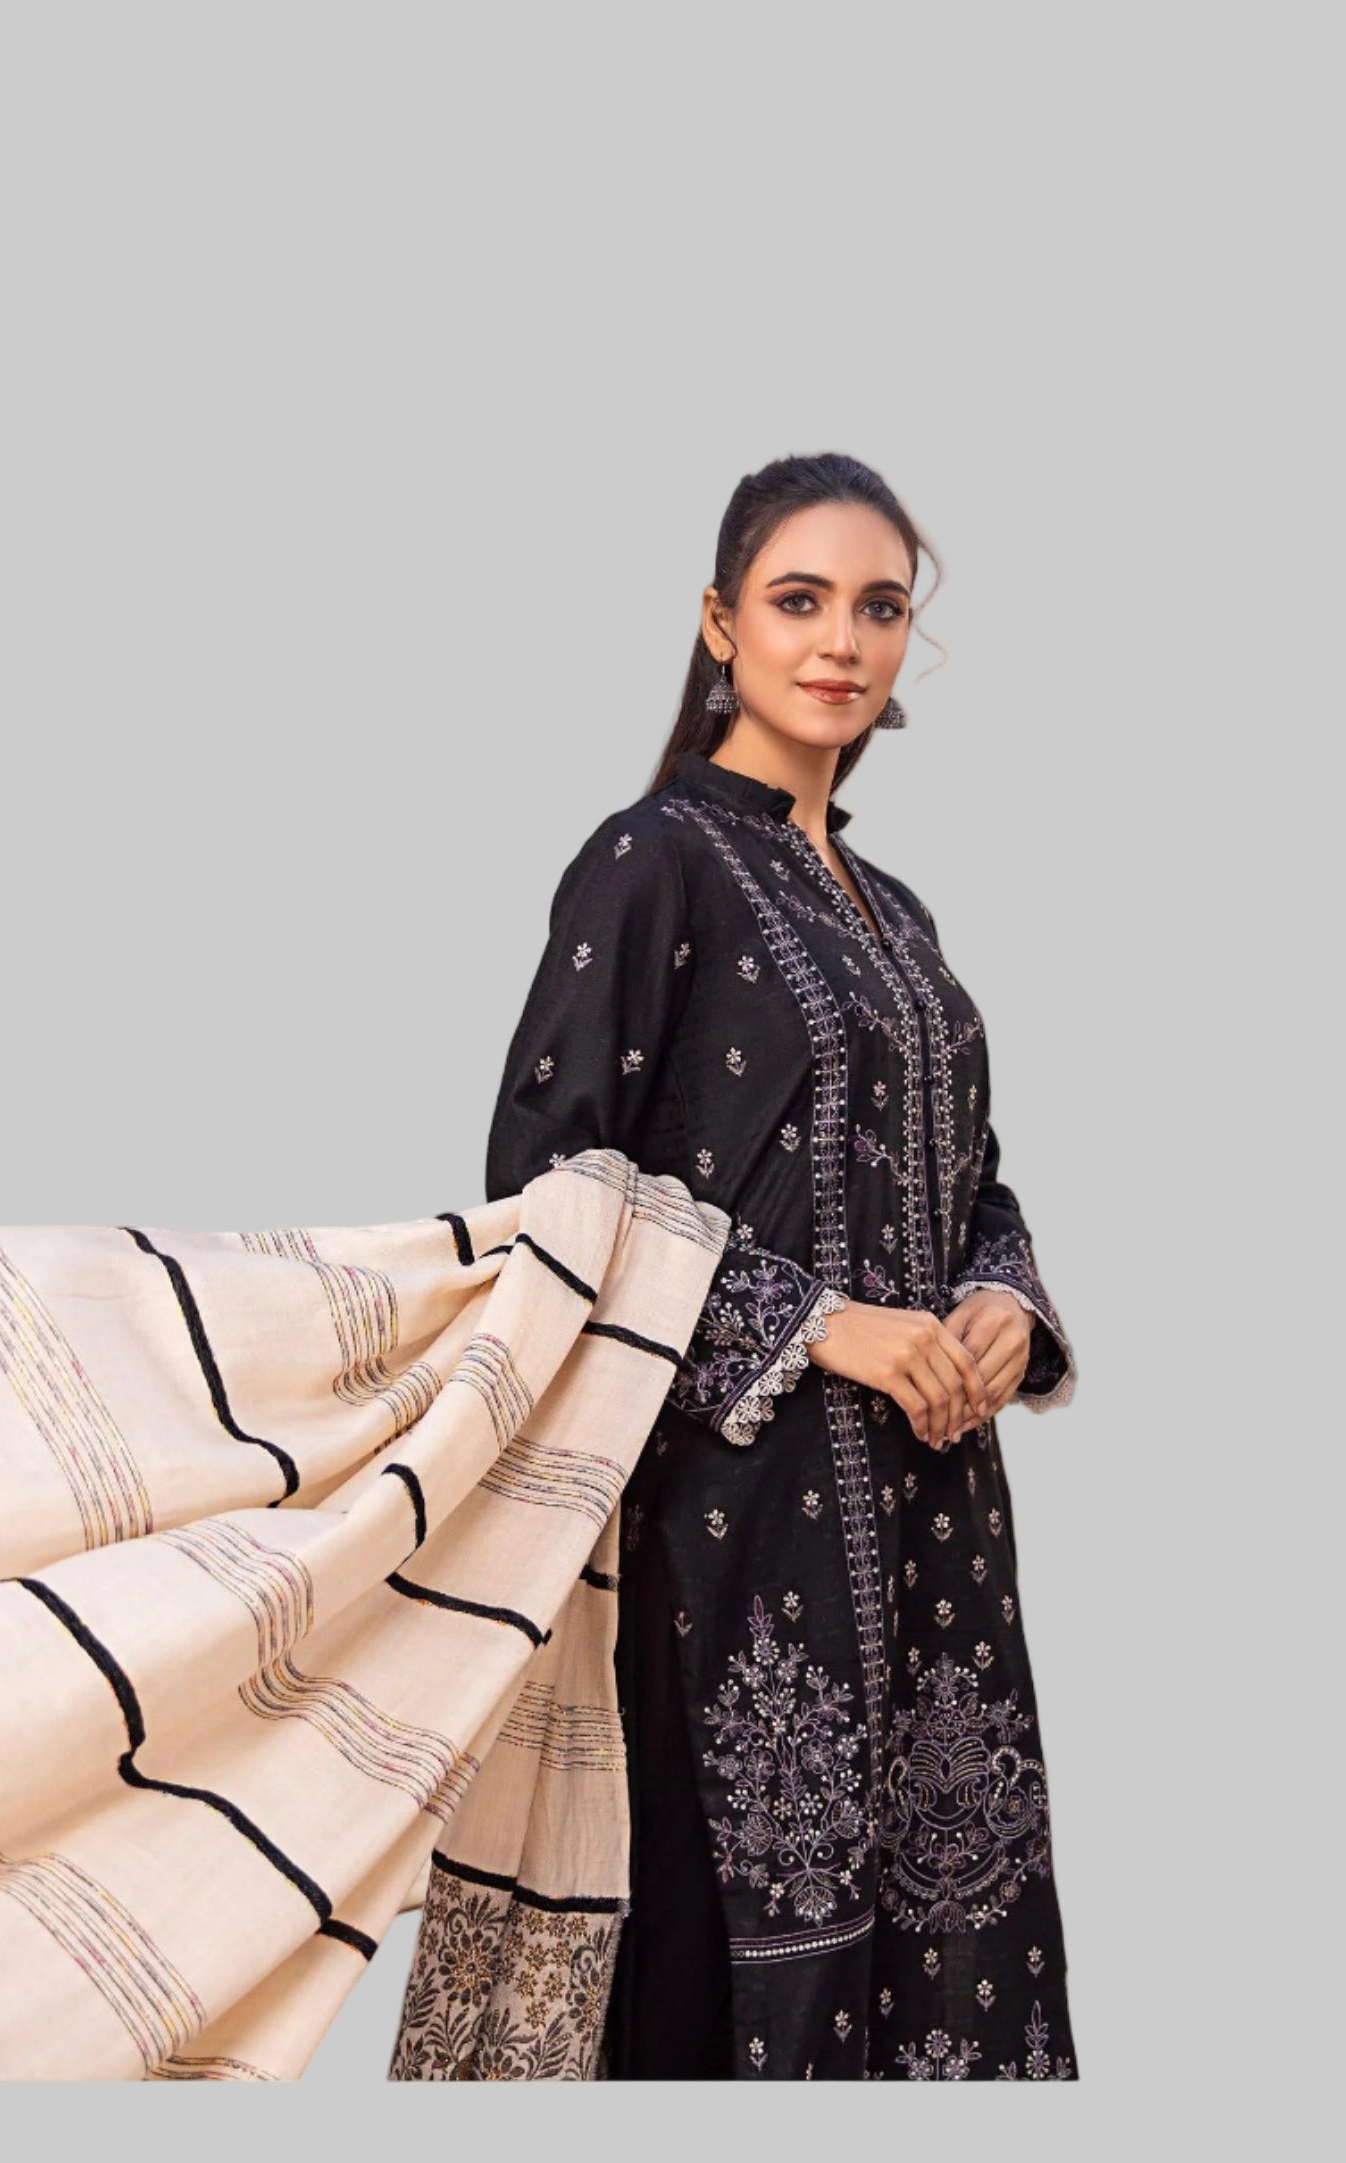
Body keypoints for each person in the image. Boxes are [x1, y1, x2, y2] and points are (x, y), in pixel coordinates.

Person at [482, 451, 1080, 2082]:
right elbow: (546, 1184)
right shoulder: (653, 859)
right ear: (718, 624)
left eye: (878, 607)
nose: (842, 641)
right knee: (723, 1940)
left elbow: (972, 1179)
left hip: (934, 1513)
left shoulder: (895, 913)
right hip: (734, 1521)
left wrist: (999, 1308)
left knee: (942, 1933)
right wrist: (823, 1331)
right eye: (798, 600)